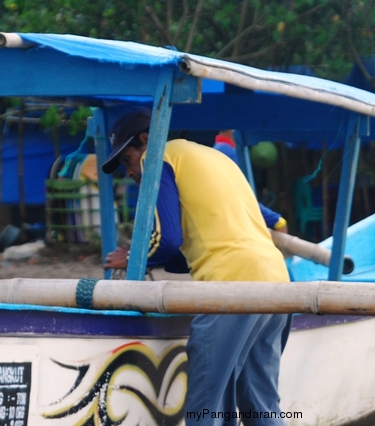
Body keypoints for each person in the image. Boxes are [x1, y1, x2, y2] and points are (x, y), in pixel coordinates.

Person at [101, 107, 290, 425]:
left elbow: (168, 240)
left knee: (205, 408)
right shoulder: (215, 158)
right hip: (278, 284)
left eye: (127, 160)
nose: (129, 172)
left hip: (233, 288)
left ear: (146, 140)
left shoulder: (157, 157)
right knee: (260, 404)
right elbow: (183, 254)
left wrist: (133, 257)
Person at [214, 129, 288, 233]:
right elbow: (239, 192)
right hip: (234, 210)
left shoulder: (220, 149)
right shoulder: (227, 151)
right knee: (280, 223)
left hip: (230, 210)